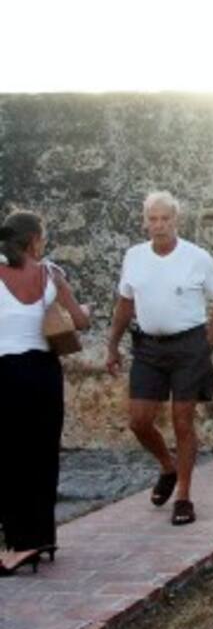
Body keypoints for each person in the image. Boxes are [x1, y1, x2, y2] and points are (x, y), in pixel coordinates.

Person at [106, 191, 213, 526]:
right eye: (153, 219)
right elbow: (125, 303)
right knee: (139, 421)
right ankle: (167, 466)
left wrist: (208, 343)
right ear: (145, 222)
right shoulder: (134, 256)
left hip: (189, 347)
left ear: (176, 221)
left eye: (165, 219)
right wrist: (112, 344)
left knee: (182, 421)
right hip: (148, 348)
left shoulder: (197, 257)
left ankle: (184, 497)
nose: (159, 225)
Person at [0, 211, 90, 576]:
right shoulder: (52, 274)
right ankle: (40, 539)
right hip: (44, 373)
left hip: (6, 373)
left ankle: (18, 544)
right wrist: (81, 311)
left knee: (10, 458)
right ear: (35, 240)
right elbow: (80, 321)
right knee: (42, 455)